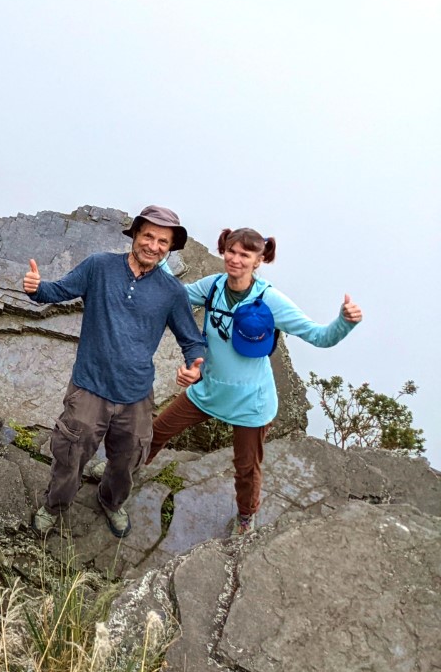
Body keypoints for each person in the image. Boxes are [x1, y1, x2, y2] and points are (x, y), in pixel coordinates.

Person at [147, 227, 362, 535]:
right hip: (208, 390)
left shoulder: (270, 300)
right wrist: (160, 257)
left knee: (246, 468)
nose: (235, 259)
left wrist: (344, 322)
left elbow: (319, 336)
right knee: (154, 433)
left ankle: (246, 518)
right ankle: (122, 471)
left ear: (259, 260)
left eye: (245, 255)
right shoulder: (213, 287)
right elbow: (176, 295)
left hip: (251, 402)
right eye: (231, 251)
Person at [23, 205, 206, 538]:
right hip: (89, 387)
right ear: (135, 234)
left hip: (136, 395)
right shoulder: (99, 266)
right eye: (148, 236)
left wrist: (195, 366)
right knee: (70, 453)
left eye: (163, 241)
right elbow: (58, 291)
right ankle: (54, 506)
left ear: (170, 247)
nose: (153, 246)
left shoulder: (172, 292)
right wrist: (36, 288)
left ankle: (111, 502)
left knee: (128, 459)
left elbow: (192, 341)